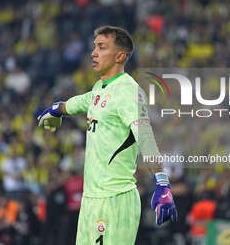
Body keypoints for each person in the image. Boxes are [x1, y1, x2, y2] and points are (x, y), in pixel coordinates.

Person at [37, 25, 177, 245]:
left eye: (101, 47)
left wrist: (162, 181)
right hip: (91, 200)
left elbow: (145, 136)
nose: (93, 52)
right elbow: (81, 102)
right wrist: (58, 108)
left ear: (120, 56)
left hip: (115, 200)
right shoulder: (99, 89)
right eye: (94, 47)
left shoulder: (128, 91)